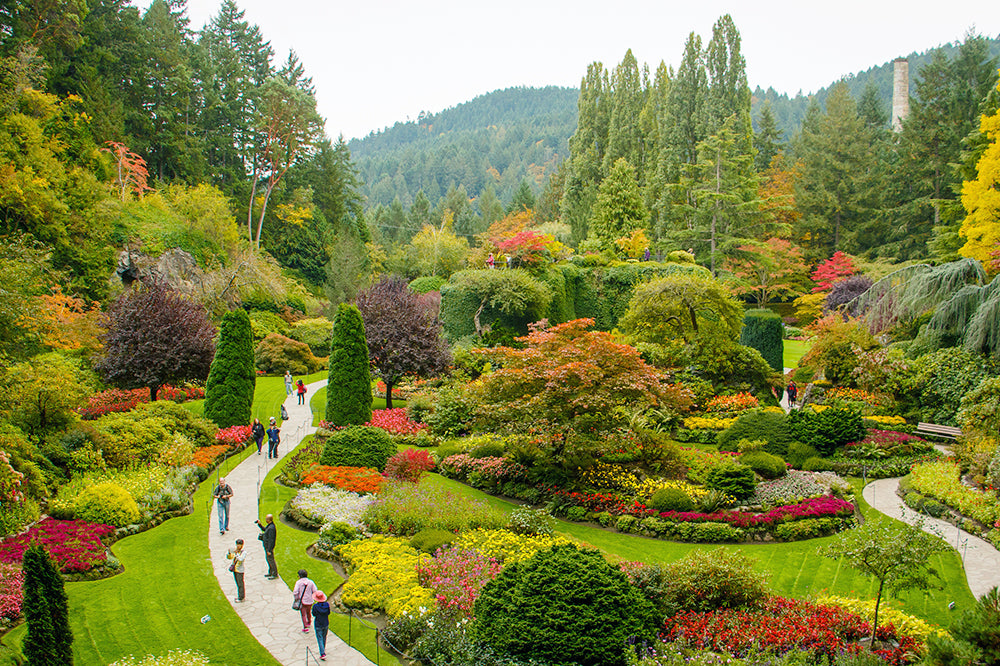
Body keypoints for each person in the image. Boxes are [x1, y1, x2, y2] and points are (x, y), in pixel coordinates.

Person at [255, 514, 278, 579]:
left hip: (268, 547)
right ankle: (271, 572)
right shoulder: (270, 526)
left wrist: (269, 550)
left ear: (268, 520)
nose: (265, 520)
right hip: (266, 546)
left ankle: (275, 574)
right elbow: (265, 529)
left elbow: (271, 539)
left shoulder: (271, 528)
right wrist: (259, 524)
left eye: (266, 519)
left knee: (271, 560)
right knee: (268, 559)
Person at [312, 590, 331, 660]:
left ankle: (322, 653)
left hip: (318, 624)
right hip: (325, 623)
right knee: (324, 637)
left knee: (319, 638)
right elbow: (328, 613)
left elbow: (314, 614)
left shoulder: (315, 606)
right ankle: (323, 649)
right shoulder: (327, 605)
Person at [226, 538, 247, 602]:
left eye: (239, 544)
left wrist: (237, 554)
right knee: (238, 584)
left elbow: (241, 559)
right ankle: (239, 596)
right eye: (237, 544)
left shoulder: (243, 552)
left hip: (240, 570)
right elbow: (230, 558)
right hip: (235, 570)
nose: (238, 546)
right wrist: (229, 553)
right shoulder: (236, 551)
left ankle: (241, 597)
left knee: (240, 584)